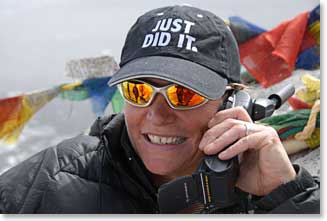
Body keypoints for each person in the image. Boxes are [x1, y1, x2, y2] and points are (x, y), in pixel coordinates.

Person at [0, 5, 319, 214]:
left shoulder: (262, 192)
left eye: (183, 94)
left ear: (229, 101)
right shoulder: (50, 180)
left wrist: (288, 195)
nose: (157, 113)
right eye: (138, 91)